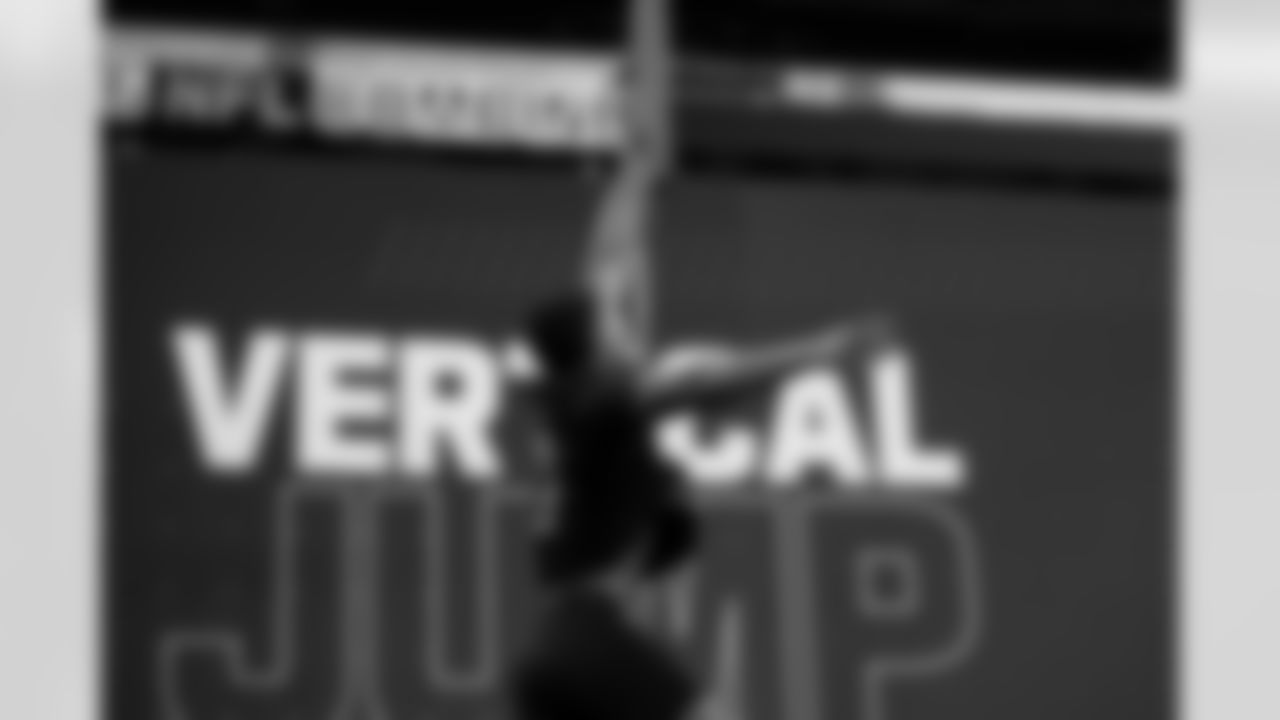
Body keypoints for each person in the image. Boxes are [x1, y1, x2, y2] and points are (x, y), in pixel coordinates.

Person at [507, 2, 897, 719]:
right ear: (592, 352)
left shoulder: (580, 395)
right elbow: (702, 382)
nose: (625, 320)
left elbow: (611, 258)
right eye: (613, 325)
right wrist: (819, 349)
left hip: (554, 653)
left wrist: (636, 168)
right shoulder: (607, 401)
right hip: (588, 639)